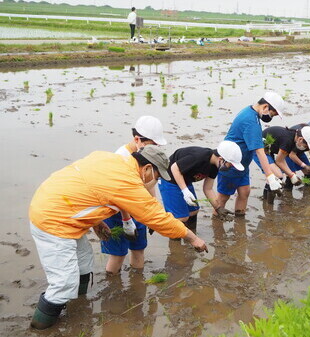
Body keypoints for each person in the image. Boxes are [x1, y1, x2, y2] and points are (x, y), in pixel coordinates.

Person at [28, 146, 208, 330]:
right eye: (158, 176)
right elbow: (157, 217)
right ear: (146, 169)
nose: (156, 181)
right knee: (63, 283)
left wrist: (97, 222)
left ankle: (77, 305)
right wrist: (193, 238)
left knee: (84, 261)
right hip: (53, 220)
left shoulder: (110, 160)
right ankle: (40, 327)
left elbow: (87, 191)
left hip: (54, 206)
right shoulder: (127, 181)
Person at [100, 116, 167, 275]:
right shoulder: (121, 157)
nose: (155, 148)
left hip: (137, 209)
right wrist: (126, 219)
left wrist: (154, 212)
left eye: (157, 145)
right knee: (118, 254)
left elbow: (150, 185)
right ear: (138, 139)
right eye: (152, 144)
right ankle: (114, 287)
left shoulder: (148, 156)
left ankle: (137, 284)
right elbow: (117, 195)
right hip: (115, 211)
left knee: (139, 249)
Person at [216, 92, 284, 216]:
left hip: (243, 164)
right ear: (265, 107)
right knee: (223, 198)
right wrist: (269, 176)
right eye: (272, 114)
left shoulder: (250, 112)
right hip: (231, 164)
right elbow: (259, 151)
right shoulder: (251, 121)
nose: (271, 117)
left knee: (244, 192)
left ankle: (240, 223)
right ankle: (217, 225)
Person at [159, 141, 243, 232]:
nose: (230, 167)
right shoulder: (198, 157)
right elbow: (174, 168)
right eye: (230, 164)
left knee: (193, 211)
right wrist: (185, 191)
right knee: (182, 217)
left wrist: (218, 208)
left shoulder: (214, 166)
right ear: (221, 159)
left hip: (185, 180)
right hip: (169, 179)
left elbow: (208, 189)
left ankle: (191, 237)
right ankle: (175, 244)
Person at [252, 125, 310, 194]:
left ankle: (268, 200)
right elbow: (279, 161)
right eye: (305, 146)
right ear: (300, 139)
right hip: (259, 149)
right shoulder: (287, 141)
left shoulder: (294, 138)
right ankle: (268, 202)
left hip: (270, 148)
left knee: (275, 176)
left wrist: (291, 173)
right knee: (278, 175)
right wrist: (292, 175)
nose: (304, 148)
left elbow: (282, 159)